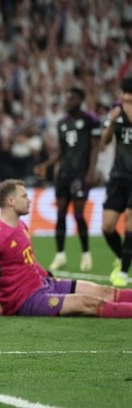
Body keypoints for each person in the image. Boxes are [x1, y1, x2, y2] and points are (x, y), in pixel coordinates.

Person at [0, 179, 132, 320]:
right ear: (11, 201)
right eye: (24, 196)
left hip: (43, 283)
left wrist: (48, 275)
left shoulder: (21, 225)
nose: (29, 200)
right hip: (25, 300)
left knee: (104, 291)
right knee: (88, 303)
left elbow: (27, 261)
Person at [33, 87, 101, 273]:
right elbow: (61, 151)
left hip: (81, 173)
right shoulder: (62, 123)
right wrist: (47, 165)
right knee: (61, 213)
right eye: (67, 99)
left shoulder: (91, 120)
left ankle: (86, 253)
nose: (67, 102)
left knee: (79, 213)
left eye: (71, 99)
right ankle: (60, 255)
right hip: (64, 174)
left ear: (80, 100)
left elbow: (95, 148)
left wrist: (91, 172)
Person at [101, 77, 132, 288]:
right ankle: (123, 257)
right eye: (123, 93)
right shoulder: (115, 113)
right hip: (118, 177)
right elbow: (105, 140)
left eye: (128, 93)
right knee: (108, 226)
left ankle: (123, 272)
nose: (124, 97)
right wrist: (111, 122)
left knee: (130, 218)